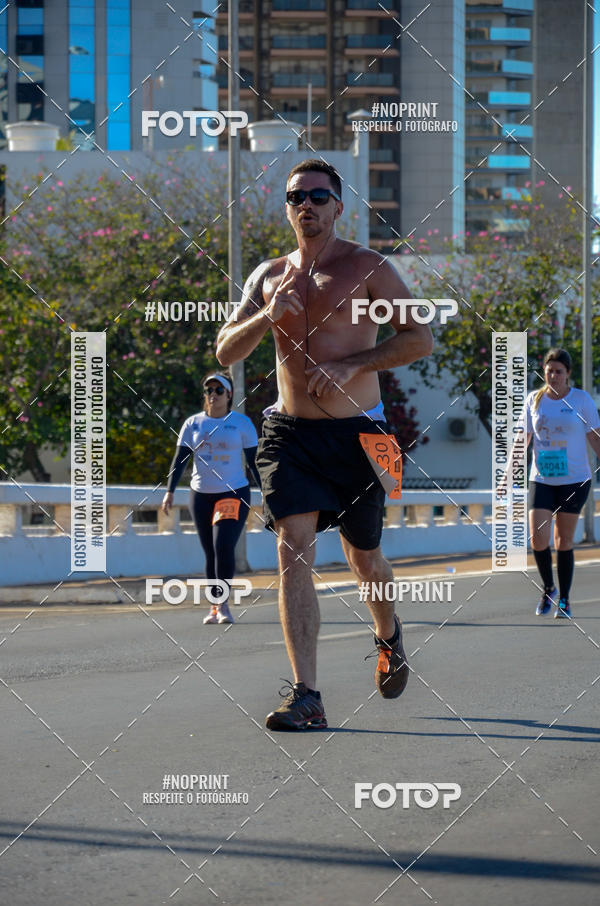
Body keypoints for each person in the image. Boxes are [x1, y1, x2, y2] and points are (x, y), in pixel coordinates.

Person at [216, 158, 433, 730]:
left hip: (361, 434)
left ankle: (388, 634)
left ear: (339, 206)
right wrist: (266, 316)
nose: (306, 205)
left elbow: (420, 338)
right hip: (289, 434)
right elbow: (225, 350)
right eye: (296, 197)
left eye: (317, 196)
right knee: (293, 546)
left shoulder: (368, 268)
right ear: (288, 209)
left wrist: (353, 364)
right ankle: (307, 695)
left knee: (365, 557)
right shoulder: (268, 275)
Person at [161, 372, 260, 624]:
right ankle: (214, 606)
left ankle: (223, 605)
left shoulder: (241, 423)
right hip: (200, 495)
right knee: (210, 552)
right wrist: (170, 491)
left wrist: (268, 493)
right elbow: (180, 460)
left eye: (218, 390)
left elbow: (254, 462)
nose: (213, 395)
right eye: (209, 390)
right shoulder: (193, 423)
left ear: (229, 395)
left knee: (223, 546)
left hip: (233, 493)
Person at [526, 348, 600, 619]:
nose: (553, 376)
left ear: (568, 373)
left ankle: (565, 599)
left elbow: (595, 437)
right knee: (538, 539)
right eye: (549, 371)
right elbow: (523, 439)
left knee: (563, 540)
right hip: (542, 478)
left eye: (559, 372)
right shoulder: (534, 400)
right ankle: (548, 588)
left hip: (574, 480)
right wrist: (508, 473)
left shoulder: (581, 400)